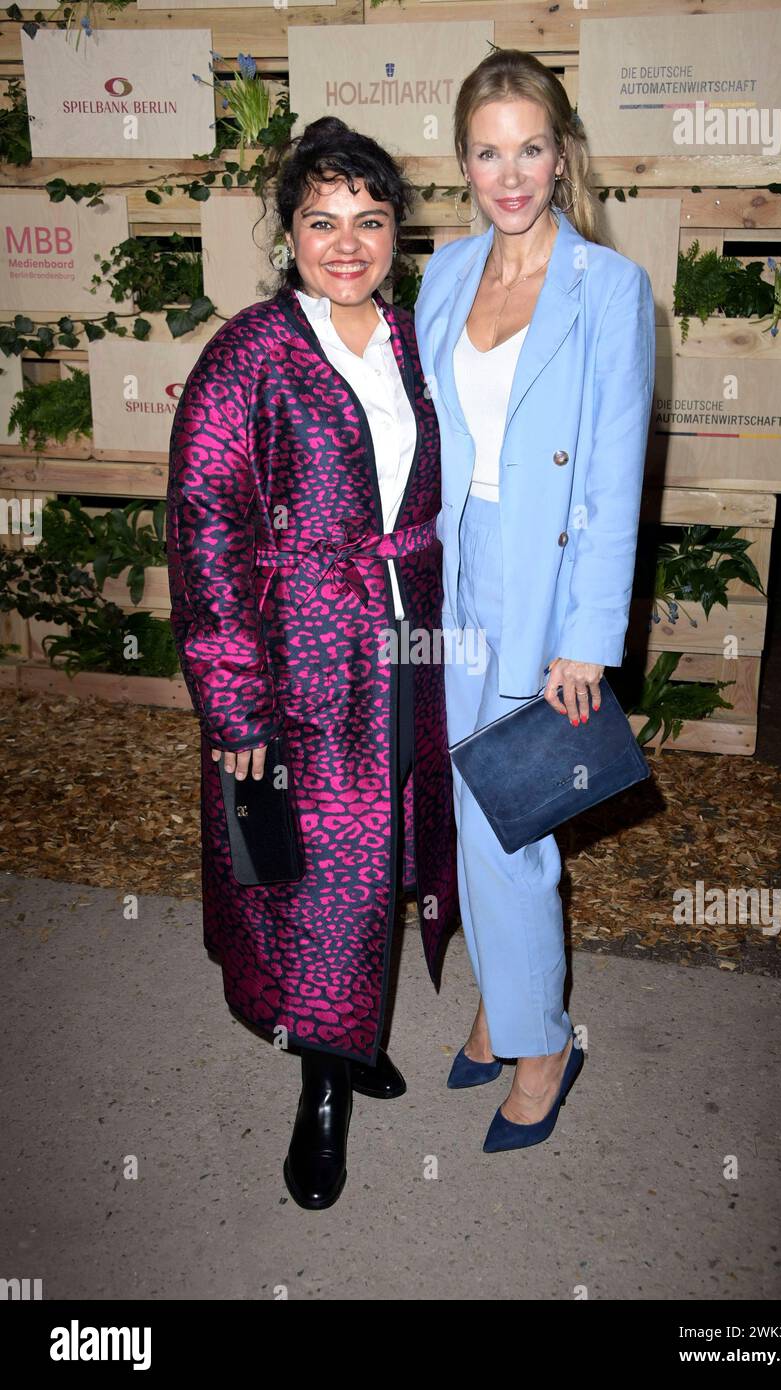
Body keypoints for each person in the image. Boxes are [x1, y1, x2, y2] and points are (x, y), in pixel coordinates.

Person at [166, 116, 457, 1209]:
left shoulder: (420, 340)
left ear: (395, 234)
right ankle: (323, 1081)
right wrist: (233, 706)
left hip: (410, 641)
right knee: (314, 875)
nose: (347, 244)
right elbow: (204, 529)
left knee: (387, 850)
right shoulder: (250, 354)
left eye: (369, 221)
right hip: (302, 665)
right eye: (322, 221)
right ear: (288, 233)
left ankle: (348, 1031)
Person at [413, 50, 655, 1153]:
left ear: (561, 156)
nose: (509, 174)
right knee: (465, 808)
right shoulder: (445, 273)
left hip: (543, 578)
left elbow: (612, 475)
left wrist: (587, 638)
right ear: (463, 161)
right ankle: (501, 1002)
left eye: (530, 148)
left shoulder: (607, 288)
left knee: (512, 821)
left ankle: (544, 1041)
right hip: (452, 572)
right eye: (486, 151)